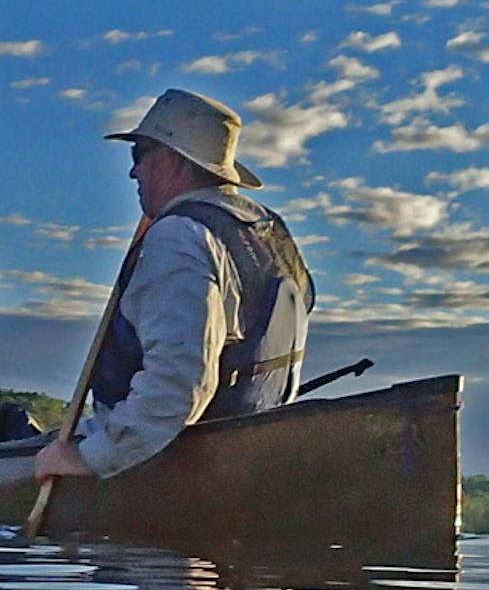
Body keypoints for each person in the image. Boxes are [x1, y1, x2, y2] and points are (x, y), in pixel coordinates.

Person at [34, 88, 314, 483]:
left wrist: (86, 460)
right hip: (247, 454)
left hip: (168, 466)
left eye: (140, 154)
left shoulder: (180, 236)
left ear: (172, 159)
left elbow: (177, 386)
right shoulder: (268, 235)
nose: (133, 172)